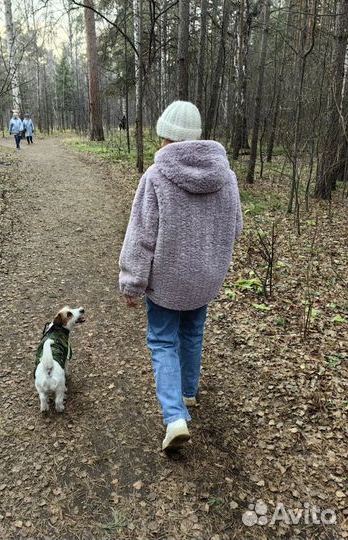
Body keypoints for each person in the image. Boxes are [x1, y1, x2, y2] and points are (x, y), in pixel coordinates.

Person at [119, 101, 243, 452]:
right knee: (192, 333)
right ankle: (188, 393)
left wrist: (132, 281)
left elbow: (141, 235)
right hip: (206, 278)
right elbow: (235, 229)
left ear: (163, 134)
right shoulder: (227, 176)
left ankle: (174, 417)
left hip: (167, 281)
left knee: (162, 341)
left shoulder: (156, 177)